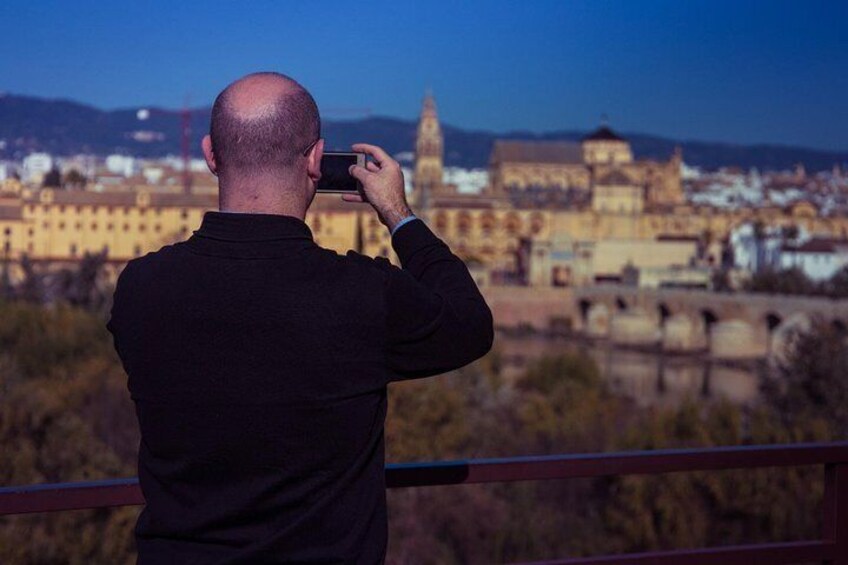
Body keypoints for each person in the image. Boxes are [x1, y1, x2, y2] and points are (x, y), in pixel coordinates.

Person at [106, 71, 494, 564]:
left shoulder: (140, 288)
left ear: (209, 155)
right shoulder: (363, 295)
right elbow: (470, 324)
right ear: (316, 161)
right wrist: (400, 215)